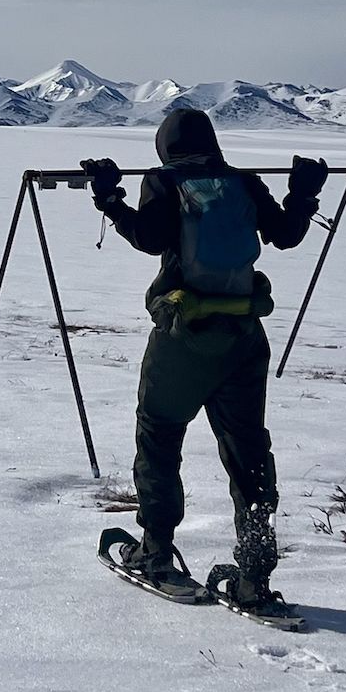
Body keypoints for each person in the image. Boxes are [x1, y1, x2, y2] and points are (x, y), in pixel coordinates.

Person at [82, 109, 328, 611]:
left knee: (159, 434)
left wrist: (109, 197)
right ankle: (254, 575)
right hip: (243, 336)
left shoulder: (164, 181)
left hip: (183, 337)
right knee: (248, 450)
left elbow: (149, 238)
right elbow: (285, 234)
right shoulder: (244, 182)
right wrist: (302, 193)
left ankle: (155, 554)